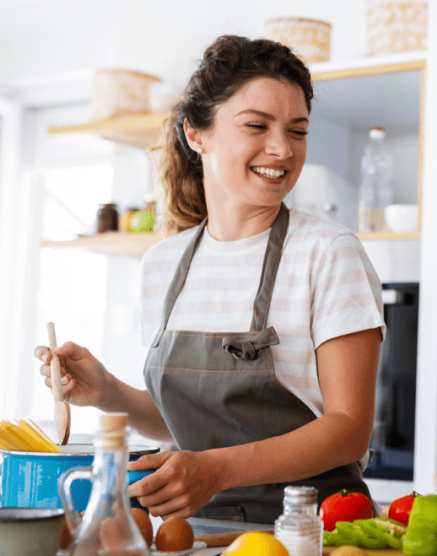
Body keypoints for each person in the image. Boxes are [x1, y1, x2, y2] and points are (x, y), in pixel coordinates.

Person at [35, 35, 385, 524]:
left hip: (313, 532)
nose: (282, 149)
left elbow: (349, 429)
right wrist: (109, 393)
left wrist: (215, 471)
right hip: (199, 533)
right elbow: (192, 425)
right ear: (197, 135)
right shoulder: (162, 265)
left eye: (298, 130)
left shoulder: (328, 253)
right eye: (257, 126)